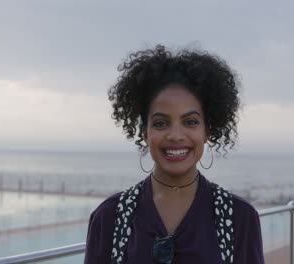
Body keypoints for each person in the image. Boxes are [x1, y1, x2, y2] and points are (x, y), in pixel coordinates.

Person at [84, 45, 264, 264]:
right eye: (161, 123)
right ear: (145, 133)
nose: (175, 135)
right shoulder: (109, 217)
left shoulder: (239, 218)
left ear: (207, 131)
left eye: (190, 122)